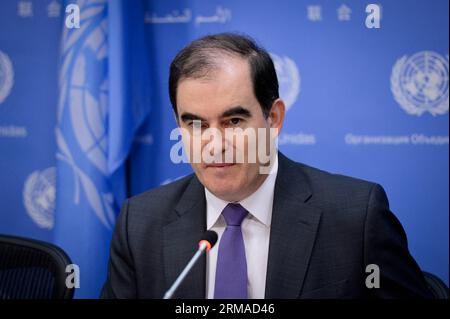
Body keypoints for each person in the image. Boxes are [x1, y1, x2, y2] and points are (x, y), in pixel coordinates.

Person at [101, 33, 432, 299]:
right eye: (196, 124)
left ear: (273, 119)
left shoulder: (355, 217)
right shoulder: (139, 225)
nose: (214, 145)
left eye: (233, 121)